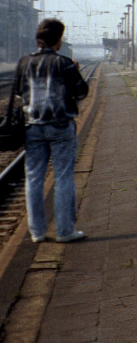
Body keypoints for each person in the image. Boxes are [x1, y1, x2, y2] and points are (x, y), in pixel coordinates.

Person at [14, 18, 89, 243]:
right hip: (60, 127)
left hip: (32, 128)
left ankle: (37, 232)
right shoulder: (64, 63)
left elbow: (19, 93)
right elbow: (81, 92)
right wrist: (74, 71)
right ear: (58, 40)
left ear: (39, 39)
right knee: (63, 177)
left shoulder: (24, 63)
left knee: (34, 179)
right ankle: (65, 231)